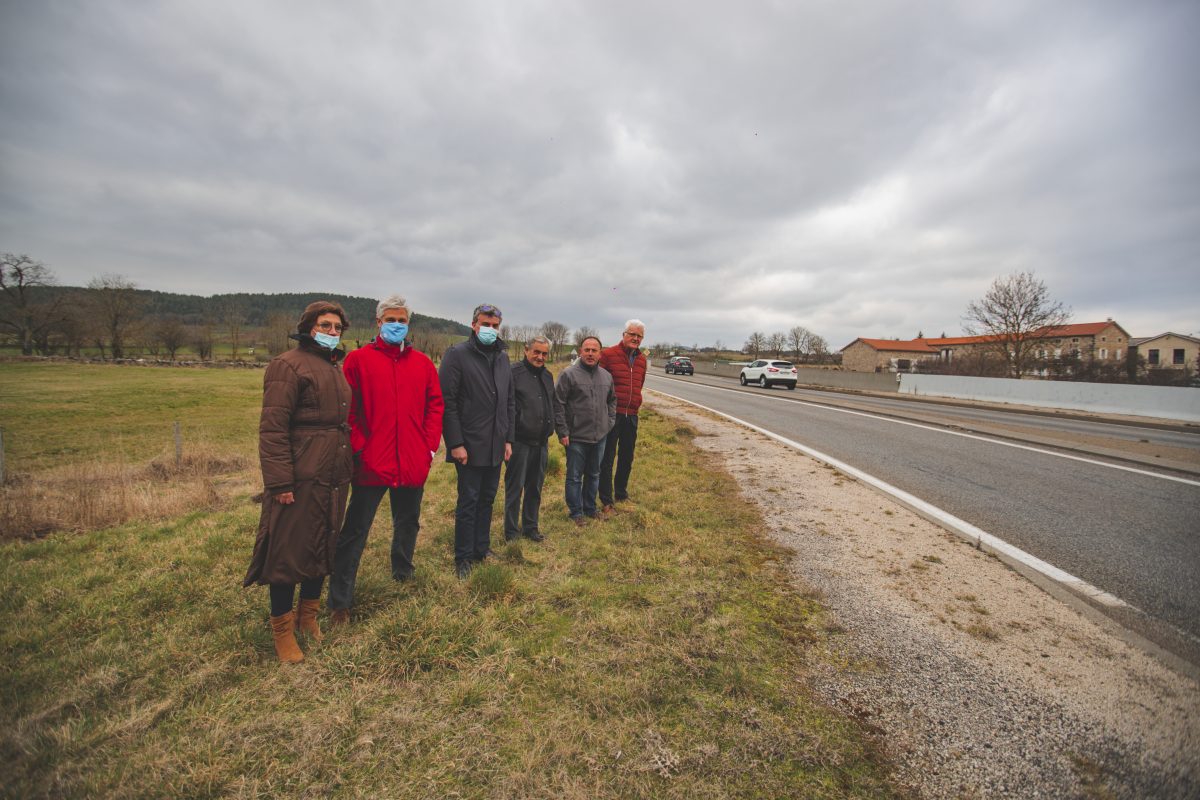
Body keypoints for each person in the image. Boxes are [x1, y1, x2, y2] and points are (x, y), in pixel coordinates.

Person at [243, 301, 354, 663]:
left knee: (322, 546)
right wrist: (279, 482)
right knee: (288, 553)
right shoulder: (286, 365)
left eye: (337, 327)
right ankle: (282, 631)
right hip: (300, 475)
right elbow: (273, 428)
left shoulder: (333, 367)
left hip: (333, 475)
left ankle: (309, 619)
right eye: (325, 325)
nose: (332, 331)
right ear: (308, 327)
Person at [327, 294, 444, 625]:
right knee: (356, 530)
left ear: (409, 324)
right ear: (378, 323)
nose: (396, 325)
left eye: (402, 321)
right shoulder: (358, 361)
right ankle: (340, 601)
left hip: (411, 461)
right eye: (390, 320)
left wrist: (428, 448)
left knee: (408, 522)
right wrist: (360, 449)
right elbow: (347, 412)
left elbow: (435, 406)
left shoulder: (422, 364)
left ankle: (403, 572)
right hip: (371, 462)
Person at [439, 303, 515, 578]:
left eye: (495, 326)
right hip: (470, 445)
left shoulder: (503, 357)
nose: (490, 330)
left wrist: (508, 439)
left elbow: (508, 401)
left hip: (496, 444)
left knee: (487, 499)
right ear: (474, 325)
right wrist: (455, 443)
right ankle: (463, 557)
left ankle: (481, 548)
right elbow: (447, 402)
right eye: (485, 324)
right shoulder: (457, 355)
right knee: (468, 502)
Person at [553, 335, 616, 526]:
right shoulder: (568, 374)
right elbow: (558, 404)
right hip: (576, 437)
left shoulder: (606, 376)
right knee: (574, 476)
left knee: (594, 474)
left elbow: (612, 401)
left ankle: (590, 508)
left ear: (600, 353)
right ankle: (576, 513)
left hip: (600, 436)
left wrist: (609, 422)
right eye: (586, 350)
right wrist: (563, 431)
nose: (590, 353)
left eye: (594, 350)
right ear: (580, 351)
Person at [504, 335, 554, 543]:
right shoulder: (513, 373)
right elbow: (507, 407)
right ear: (526, 350)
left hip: (541, 442)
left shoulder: (548, 376)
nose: (540, 357)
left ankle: (531, 527)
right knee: (515, 489)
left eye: (544, 353)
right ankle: (511, 531)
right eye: (536, 352)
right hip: (520, 442)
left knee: (535, 487)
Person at [598, 319, 647, 512]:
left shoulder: (642, 360)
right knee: (607, 457)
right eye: (632, 334)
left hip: (632, 414)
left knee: (627, 456)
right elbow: (598, 383)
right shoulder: (609, 355)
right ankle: (606, 498)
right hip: (612, 414)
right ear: (623, 335)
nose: (635, 338)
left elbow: (640, 384)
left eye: (639, 336)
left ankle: (621, 492)